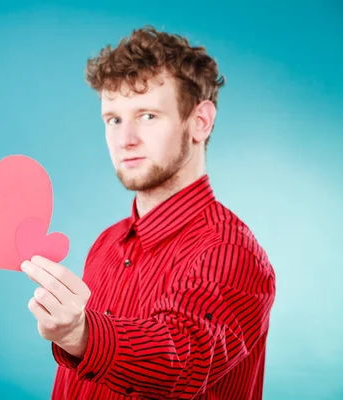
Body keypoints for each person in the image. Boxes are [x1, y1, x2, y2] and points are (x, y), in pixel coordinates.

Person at [20, 25, 276, 399]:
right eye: (114, 119)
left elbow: (183, 358)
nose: (125, 139)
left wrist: (82, 334)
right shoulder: (106, 244)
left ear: (200, 122)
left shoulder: (229, 252)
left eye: (148, 116)